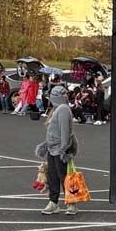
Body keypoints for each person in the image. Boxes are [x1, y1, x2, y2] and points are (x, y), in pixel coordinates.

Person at [38, 84, 78, 216]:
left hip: (60, 149)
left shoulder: (63, 109)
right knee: (53, 177)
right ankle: (53, 202)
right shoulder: (58, 109)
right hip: (53, 148)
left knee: (64, 177)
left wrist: (63, 148)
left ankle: (71, 203)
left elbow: (65, 131)